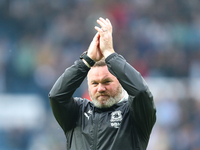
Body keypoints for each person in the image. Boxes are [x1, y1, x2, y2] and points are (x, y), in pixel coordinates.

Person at [49, 17, 156, 150]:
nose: (100, 88)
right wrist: (86, 61)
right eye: (94, 83)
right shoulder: (77, 113)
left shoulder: (135, 115)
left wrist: (110, 55)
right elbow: (56, 96)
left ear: (122, 82)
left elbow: (140, 92)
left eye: (107, 82)